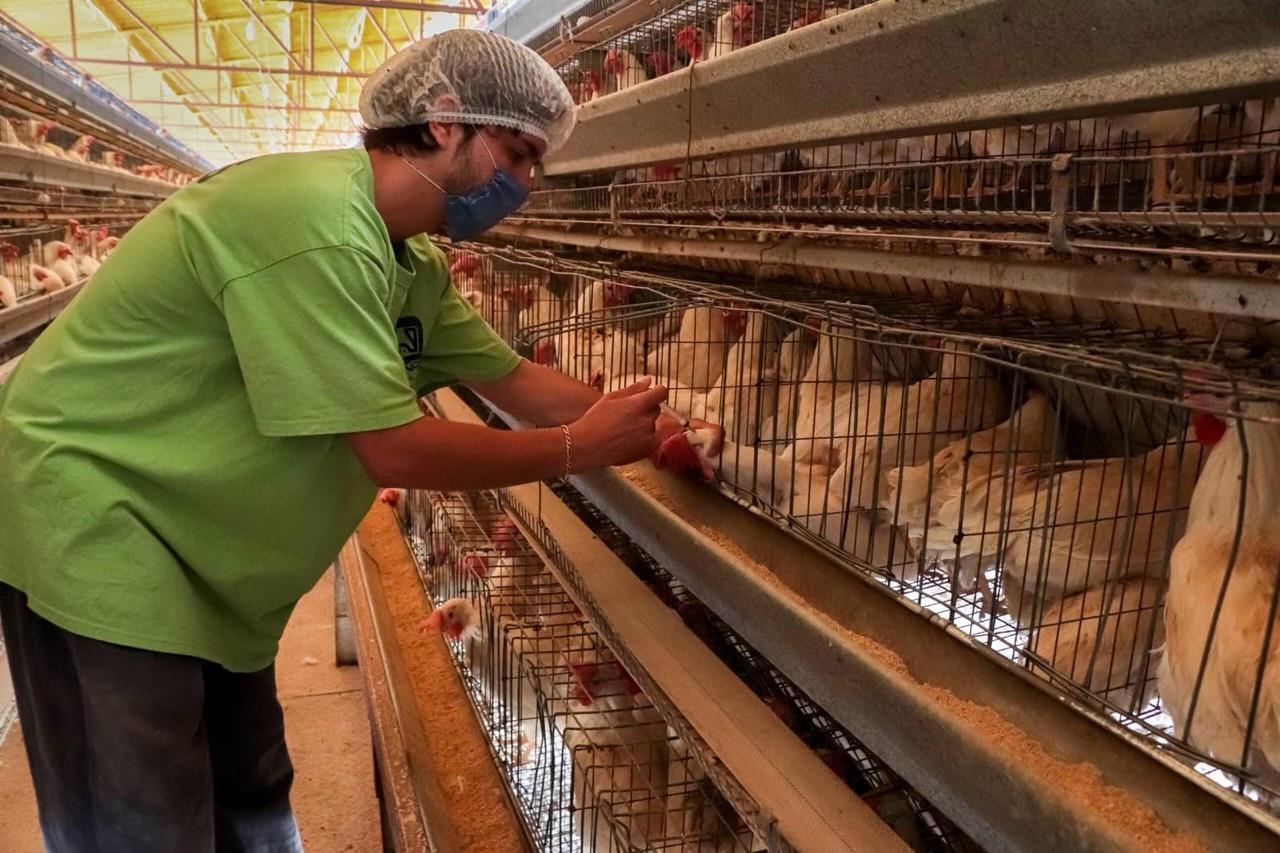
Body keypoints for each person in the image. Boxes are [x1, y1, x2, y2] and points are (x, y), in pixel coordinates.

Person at [0, 29, 668, 853]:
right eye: (518, 152)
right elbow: (396, 451)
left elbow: (521, 384)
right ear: (444, 120)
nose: (525, 184)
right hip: (101, 513)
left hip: (206, 544)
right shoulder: (315, 222)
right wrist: (579, 450)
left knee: (251, 777)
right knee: (142, 805)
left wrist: (656, 425)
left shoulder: (410, 263)